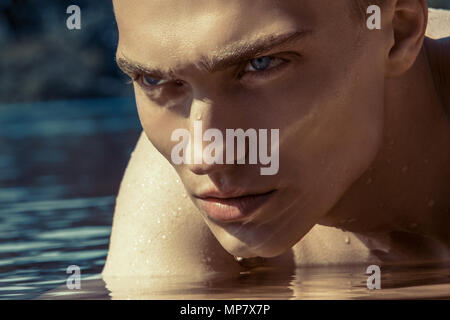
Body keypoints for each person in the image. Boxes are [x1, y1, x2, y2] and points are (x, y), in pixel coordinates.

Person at [102, 0, 450, 279]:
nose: (203, 157)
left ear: (399, 32)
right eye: (151, 79)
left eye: (262, 63)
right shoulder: (177, 172)